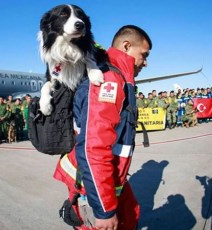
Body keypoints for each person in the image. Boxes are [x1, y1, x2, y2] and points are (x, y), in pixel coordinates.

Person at [53, 25, 151, 229]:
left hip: (108, 179)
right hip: (93, 186)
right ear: (126, 46)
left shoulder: (119, 76)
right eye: (144, 55)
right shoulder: (109, 79)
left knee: (131, 215)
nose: (146, 62)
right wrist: (104, 210)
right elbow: (93, 149)